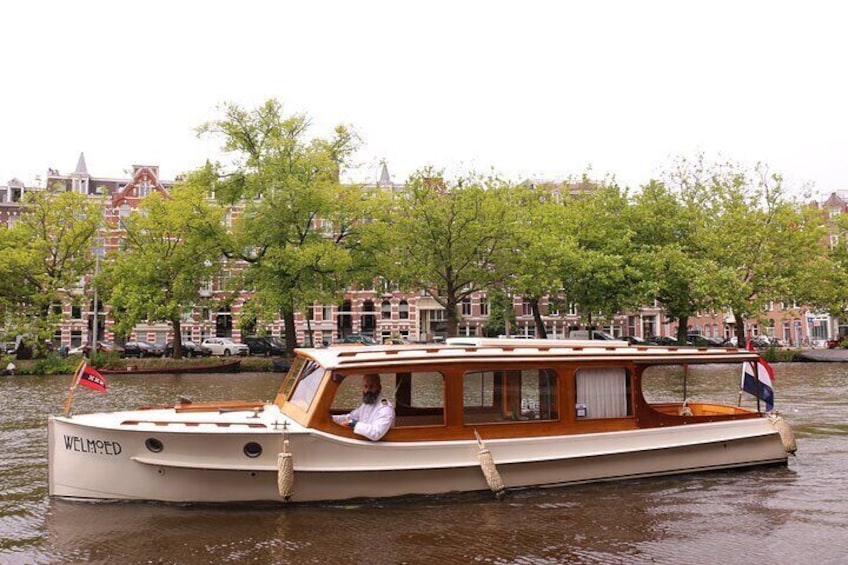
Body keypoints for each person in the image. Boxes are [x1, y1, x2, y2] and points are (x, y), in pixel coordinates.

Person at [332, 373, 395, 441]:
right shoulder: (366, 404)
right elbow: (350, 417)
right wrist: (331, 418)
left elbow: (376, 433)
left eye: (371, 387)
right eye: (365, 386)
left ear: (379, 387)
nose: (368, 390)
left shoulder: (385, 408)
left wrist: (353, 423)